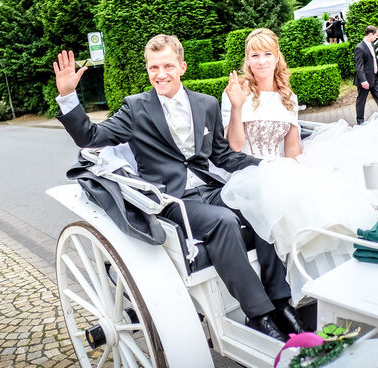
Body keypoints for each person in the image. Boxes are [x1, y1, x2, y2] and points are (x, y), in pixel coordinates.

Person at [53, 34, 305, 342]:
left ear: (182, 67)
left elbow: (223, 156)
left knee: (261, 203)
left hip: (210, 188)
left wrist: (266, 167)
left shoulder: (206, 104)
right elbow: (90, 136)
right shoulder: (135, 108)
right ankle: (260, 315)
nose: (161, 74)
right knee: (223, 222)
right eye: (153, 68)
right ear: (147, 70)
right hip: (171, 198)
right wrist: (68, 97)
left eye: (168, 66)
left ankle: (281, 301)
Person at [221, 28, 378, 305]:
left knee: (327, 189)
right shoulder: (238, 93)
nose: (261, 61)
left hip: (280, 167)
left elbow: (293, 150)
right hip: (248, 170)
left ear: (276, 56)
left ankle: (345, 286)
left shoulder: (287, 96)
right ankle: (298, 291)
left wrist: (305, 174)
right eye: (255, 55)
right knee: (287, 188)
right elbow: (233, 146)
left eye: (267, 54)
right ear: (247, 59)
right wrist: (236, 107)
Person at [354, 25, 378, 125]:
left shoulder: (372, 45)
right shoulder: (359, 48)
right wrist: (363, 81)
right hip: (365, 81)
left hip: (375, 78)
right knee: (361, 101)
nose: (377, 37)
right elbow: (359, 66)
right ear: (370, 34)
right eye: (376, 35)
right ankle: (360, 121)